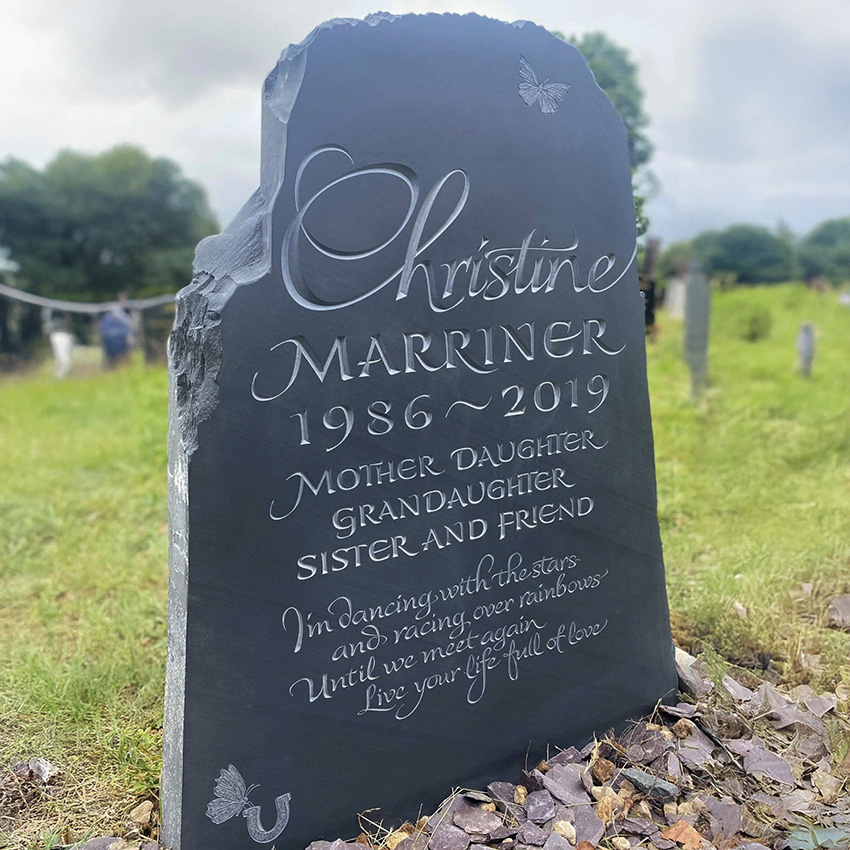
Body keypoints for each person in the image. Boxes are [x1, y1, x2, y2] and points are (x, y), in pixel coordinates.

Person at [98, 297, 134, 369]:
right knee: (114, 359)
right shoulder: (111, 317)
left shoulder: (122, 317)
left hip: (120, 341)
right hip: (112, 341)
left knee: (120, 358)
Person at [42, 307, 75, 379]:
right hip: (57, 336)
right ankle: (61, 373)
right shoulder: (50, 321)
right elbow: (47, 331)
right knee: (60, 355)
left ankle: (63, 372)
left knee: (64, 355)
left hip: (63, 336)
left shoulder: (61, 320)